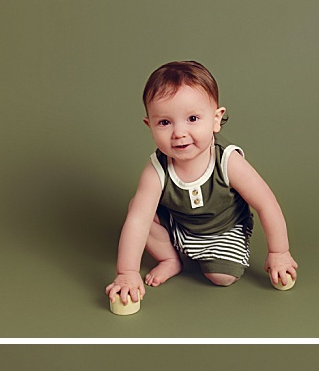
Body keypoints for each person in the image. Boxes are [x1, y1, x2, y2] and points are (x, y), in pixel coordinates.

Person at [106, 61, 297, 307]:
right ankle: (170, 259)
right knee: (139, 209)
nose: (179, 133)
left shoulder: (227, 161)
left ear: (216, 120)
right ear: (150, 126)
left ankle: (216, 256)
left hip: (223, 229)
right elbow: (137, 222)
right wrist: (127, 273)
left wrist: (279, 253)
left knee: (222, 277)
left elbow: (266, 204)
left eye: (193, 118)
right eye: (165, 122)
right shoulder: (156, 170)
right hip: (180, 225)